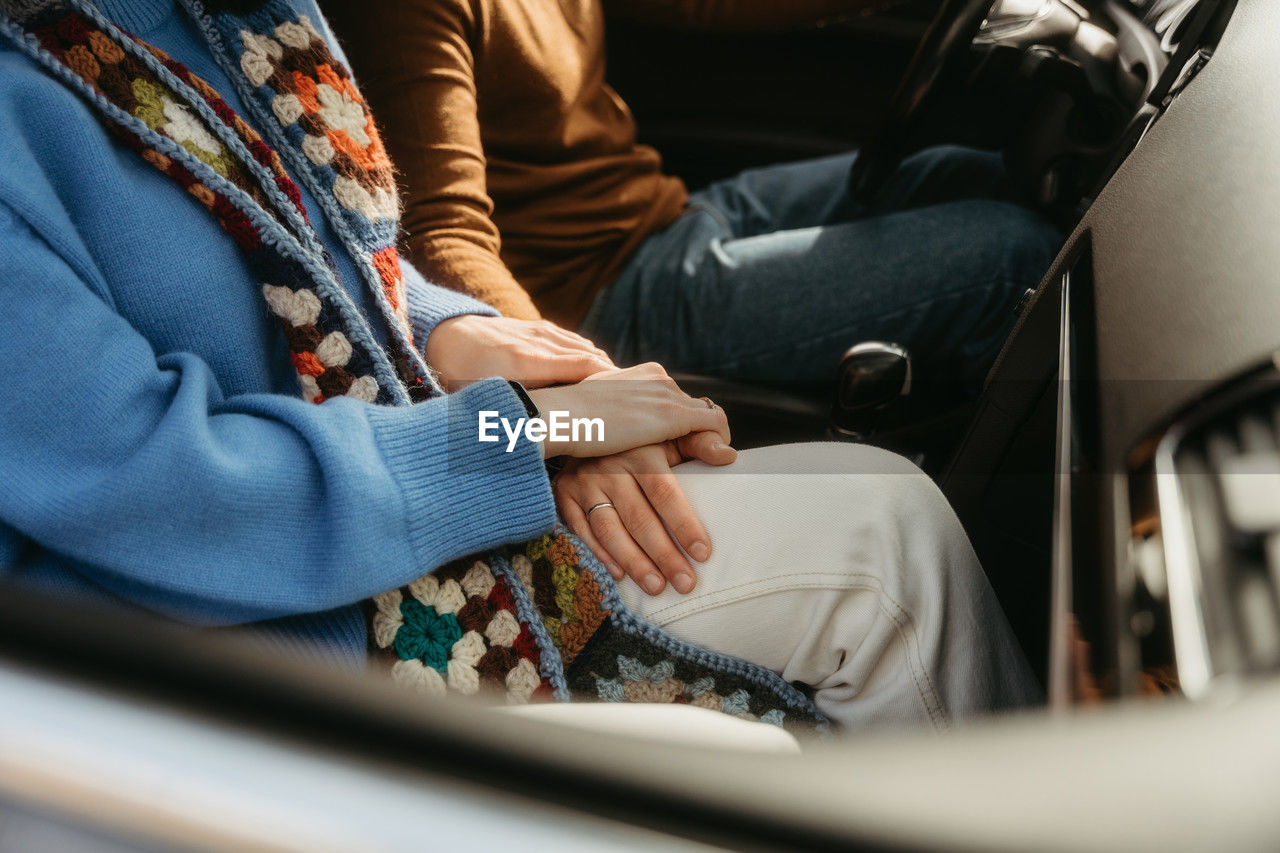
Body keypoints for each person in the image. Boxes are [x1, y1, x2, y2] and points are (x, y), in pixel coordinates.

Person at [0, 0, 1038, 732]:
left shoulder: (231, 10)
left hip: (397, 476)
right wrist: (531, 433)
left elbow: (345, 255)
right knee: (867, 567)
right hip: (248, 627)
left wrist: (454, 332)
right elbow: (165, 491)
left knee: (882, 515)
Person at [326, 0, 1063, 395]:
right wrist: (575, 392)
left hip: (672, 216)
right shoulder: (402, 9)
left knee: (971, 173)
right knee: (1012, 258)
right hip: (606, 296)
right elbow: (441, 237)